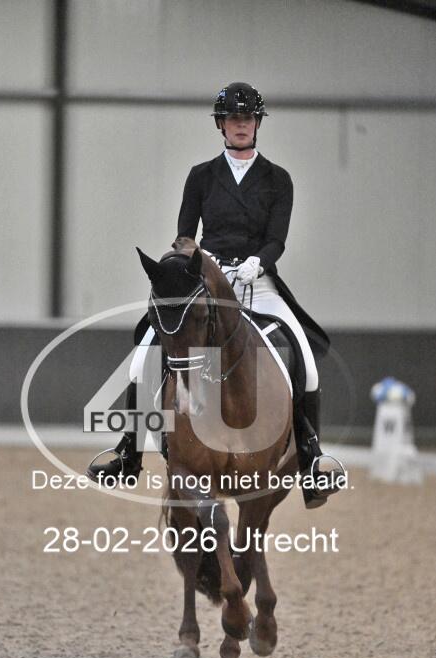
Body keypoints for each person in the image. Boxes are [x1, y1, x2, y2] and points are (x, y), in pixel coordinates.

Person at [88, 82, 343, 508]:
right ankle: (128, 452)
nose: (241, 125)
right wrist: (197, 263)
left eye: (248, 118)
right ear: (221, 125)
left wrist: (258, 262)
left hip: (259, 282)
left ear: (257, 124)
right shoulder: (201, 176)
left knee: (307, 361)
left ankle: (311, 458)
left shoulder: (278, 179)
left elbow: (277, 239)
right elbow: (184, 235)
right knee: (141, 358)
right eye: (233, 118)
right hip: (208, 280)